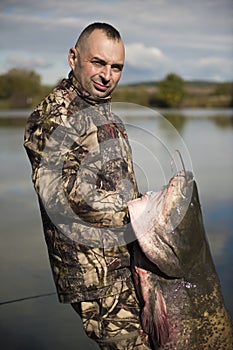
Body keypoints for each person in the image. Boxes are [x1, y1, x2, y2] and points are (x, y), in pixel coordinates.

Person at [24, 22, 150, 349]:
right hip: (96, 278)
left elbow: (119, 187)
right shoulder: (52, 115)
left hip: (128, 265)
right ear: (73, 58)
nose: (107, 75)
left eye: (116, 67)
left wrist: (144, 209)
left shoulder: (107, 116)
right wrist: (141, 215)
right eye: (98, 62)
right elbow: (62, 196)